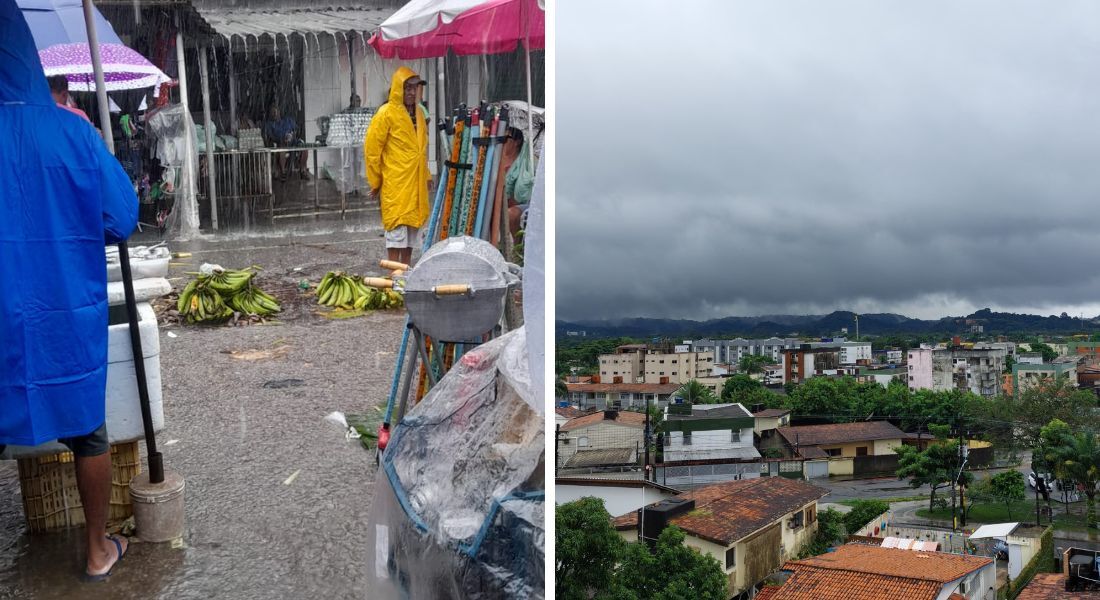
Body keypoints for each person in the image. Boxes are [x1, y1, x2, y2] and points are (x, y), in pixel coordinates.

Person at [1, 2, 137, 582]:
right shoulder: (70, 133)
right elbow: (122, 217)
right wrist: (92, 148)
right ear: (31, 62)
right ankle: (96, 550)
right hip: (61, 317)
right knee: (88, 432)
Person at [364, 67, 431, 266]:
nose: (411, 92)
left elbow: (421, 149)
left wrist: (426, 174)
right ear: (397, 89)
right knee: (396, 232)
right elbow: (372, 149)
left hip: (415, 183)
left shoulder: (419, 113)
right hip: (396, 182)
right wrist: (375, 180)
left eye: (414, 88)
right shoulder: (386, 113)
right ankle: (393, 278)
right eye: (407, 88)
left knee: (411, 230)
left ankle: (406, 272)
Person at [263, 103, 310, 181]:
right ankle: (283, 172)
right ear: (270, 114)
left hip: (293, 141)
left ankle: (303, 170)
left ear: (279, 112)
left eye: (276, 112)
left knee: (304, 147)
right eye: (272, 113)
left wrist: (291, 135)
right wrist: (281, 139)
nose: (274, 114)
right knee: (281, 149)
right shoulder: (269, 124)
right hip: (280, 143)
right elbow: (270, 137)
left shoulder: (288, 120)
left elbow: (296, 131)